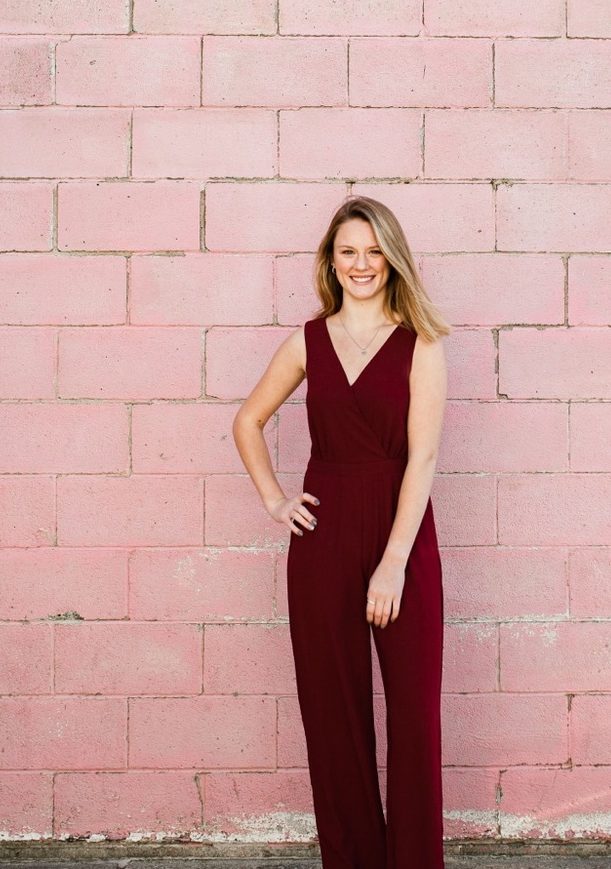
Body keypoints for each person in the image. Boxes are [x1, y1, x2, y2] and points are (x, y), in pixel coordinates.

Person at [233, 196, 450, 868]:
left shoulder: (422, 343)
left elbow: (423, 458)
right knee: (334, 718)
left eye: (374, 251)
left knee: (413, 718)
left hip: (401, 538)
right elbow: (247, 422)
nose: (362, 264)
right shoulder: (307, 340)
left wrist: (393, 563)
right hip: (322, 540)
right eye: (348, 251)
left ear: (393, 259)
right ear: (331, 260)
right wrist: (275, 500)